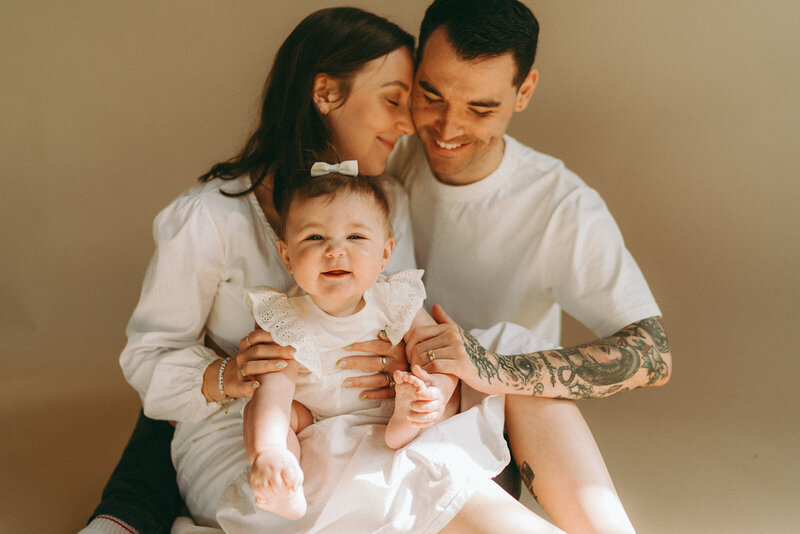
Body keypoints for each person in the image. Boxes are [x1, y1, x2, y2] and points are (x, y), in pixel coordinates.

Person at [378, 0, 672, 532]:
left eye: (482, 108)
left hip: (498, 430)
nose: (448, 127)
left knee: (510, 363)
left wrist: (493, 370)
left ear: (525, 92)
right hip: (381, 408)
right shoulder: (384, 155)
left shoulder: (561, 205)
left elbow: (653, 353)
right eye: (432, 95)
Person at [216, 168, 512, 533]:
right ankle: (277, 465)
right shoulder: (283, 316)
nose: (335, 249)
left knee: (433, 388)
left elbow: (435, 350)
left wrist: (435, 391)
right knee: (272, 409)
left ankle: (411, 417)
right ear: (287, 256)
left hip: (388, 408)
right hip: (317, 421)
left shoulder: (394, 299)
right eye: (314, 237)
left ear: (385, 253)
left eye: (355, 236)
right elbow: (274, 394)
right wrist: (270, 446)